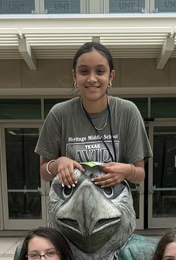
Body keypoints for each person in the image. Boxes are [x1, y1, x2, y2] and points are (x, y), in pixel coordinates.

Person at [36, 41, 152, 189]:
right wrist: (58, 164)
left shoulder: (127, 112)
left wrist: (128, 171)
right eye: (84, 71)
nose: (92, 79)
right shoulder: (59, 114)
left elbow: (140, 174)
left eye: (100, 71)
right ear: (75, 76)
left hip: (115, 209)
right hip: (71, 209)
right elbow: (44, 173)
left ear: (111, 76)